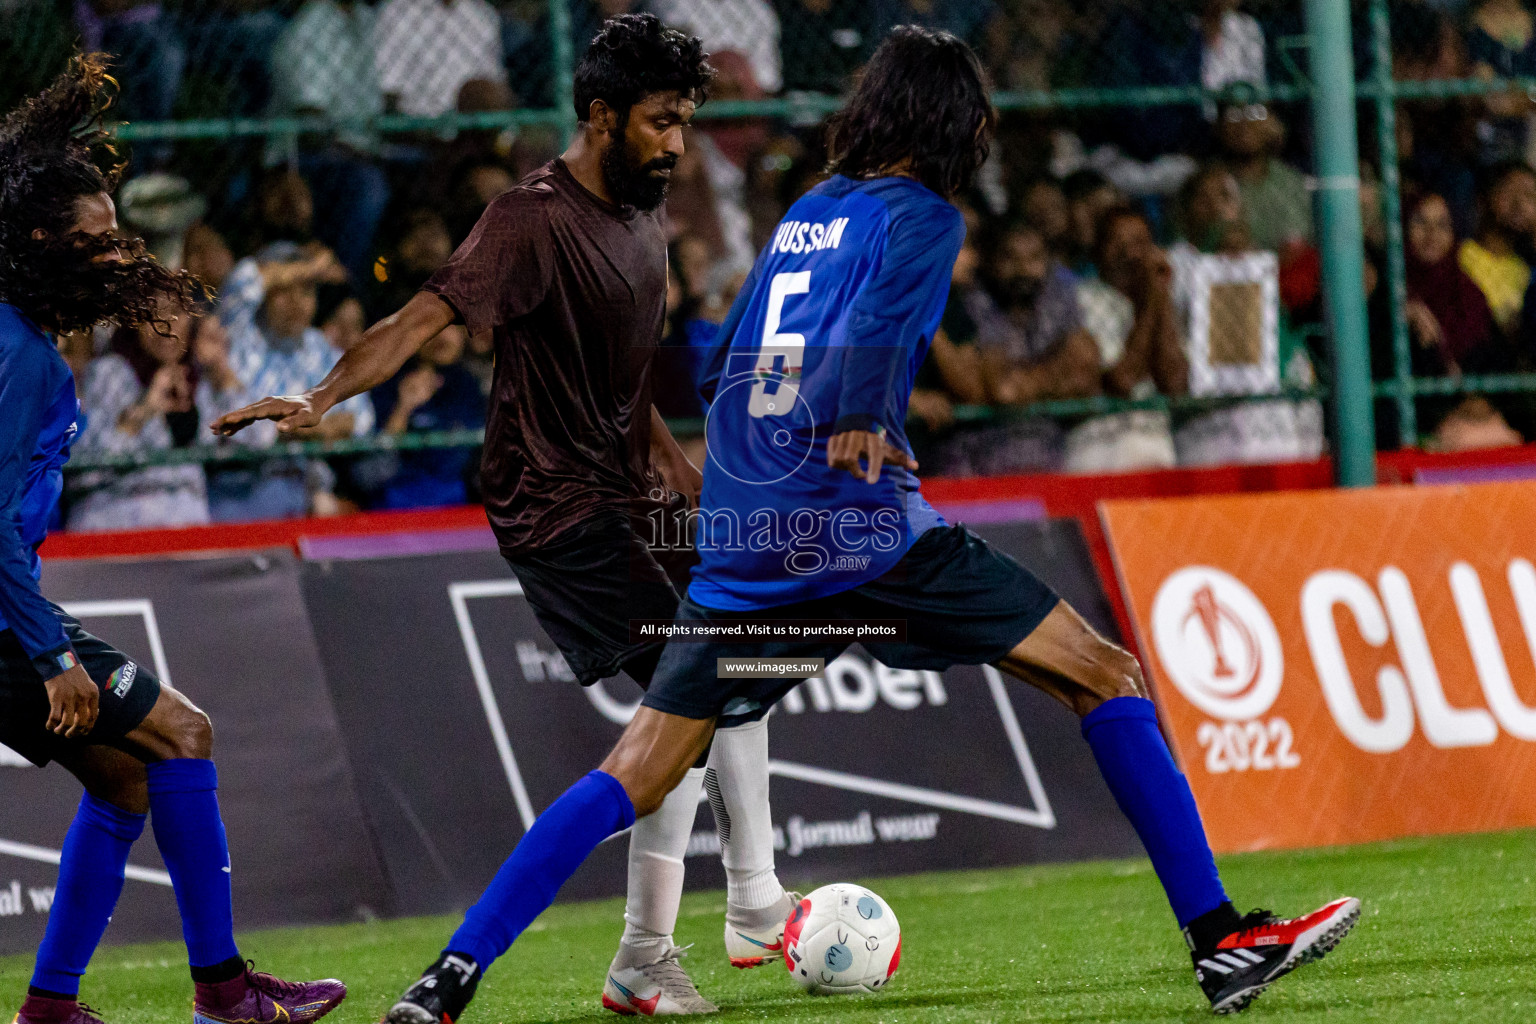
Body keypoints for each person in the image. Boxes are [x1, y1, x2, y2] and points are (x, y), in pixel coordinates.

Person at [355, 27, 1361, 1023]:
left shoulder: (806, 211)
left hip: (750, 544)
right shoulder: (920, 214)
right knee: (1105, 673)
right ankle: (1222, 942)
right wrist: (863, 417)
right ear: (944, 120)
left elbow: (721, 373)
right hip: (862, 529)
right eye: (976, 115)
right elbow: (880, 335)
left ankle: (447, 980)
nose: (983, 132)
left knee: (639, 765)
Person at [212, 15, 795, 1019]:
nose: (677, 145)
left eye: (687, 122)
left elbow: (626, 392)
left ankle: (714, 917)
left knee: (725, 671)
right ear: (602, 115)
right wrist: (323, 395)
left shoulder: (645, 218)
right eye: (661, 122)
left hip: (621, 494)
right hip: (553, 505)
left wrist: (686, 486)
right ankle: (720, 915)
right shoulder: (530, 217)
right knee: (694, 695)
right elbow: (419, 317)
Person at [0, 53, 346, 1024]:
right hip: (5, 621)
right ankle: (224, 993)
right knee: (183, 733)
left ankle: (54, 1007)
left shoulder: (16, 334)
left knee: (122, 775)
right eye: (100, 238)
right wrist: (50, 651)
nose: (120, 253)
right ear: (39, 240)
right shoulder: (22, 357)